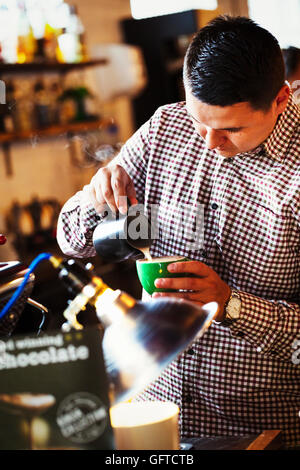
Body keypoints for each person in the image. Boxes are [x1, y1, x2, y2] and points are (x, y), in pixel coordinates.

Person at [57, 16, 300, 449]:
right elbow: (70, 241)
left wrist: (232, 305)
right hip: (151, 399)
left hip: (254, 423)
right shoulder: (165, 129)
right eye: (198, 119)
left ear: (280, 98)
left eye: (231, 129)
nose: (208, 143)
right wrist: (97, 200)